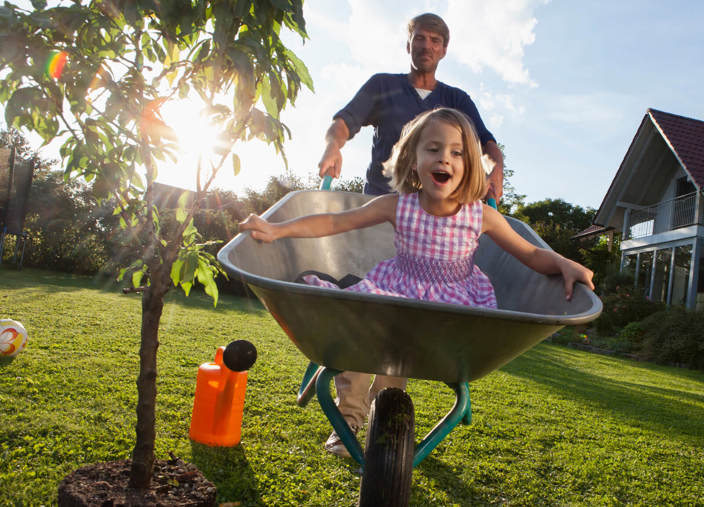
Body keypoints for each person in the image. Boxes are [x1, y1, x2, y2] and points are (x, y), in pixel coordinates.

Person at [240, 108, 595, 456]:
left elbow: (530, 254)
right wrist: (278, 229)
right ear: (413, 161)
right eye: (433, 149)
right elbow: (336, 223)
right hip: (397, 291)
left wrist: (563, 263)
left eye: (457, 152)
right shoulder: (398, 206)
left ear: (469, 165)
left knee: (399, 356)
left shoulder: (480, 216)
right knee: (357, 336)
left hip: (451, 307)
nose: (445, 159)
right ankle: (348, 417)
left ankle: (385, 417)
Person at [318, 12, 504, 201]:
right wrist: (333, 145)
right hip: (381, 207)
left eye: (435, 40)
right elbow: (343, 122)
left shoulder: (458, 100)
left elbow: (487, 144)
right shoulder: (382, 85)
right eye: (420, 38)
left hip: (436, 213)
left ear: (443, 50)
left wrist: (495, 172)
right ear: (409, 45)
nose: (426, 46)